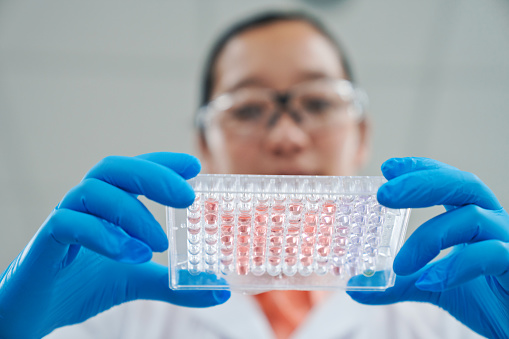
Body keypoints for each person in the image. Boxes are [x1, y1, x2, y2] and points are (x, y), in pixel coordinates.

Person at [1, 10, 508, 339]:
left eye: (317, 101)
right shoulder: (111, 321)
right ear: (206, 145)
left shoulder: (446, 323)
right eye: (246, 109)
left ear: (362, 135)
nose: (287, 136)